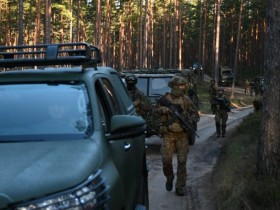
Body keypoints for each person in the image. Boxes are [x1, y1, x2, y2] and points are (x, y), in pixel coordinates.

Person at [156, 76, 199, 196]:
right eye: (180, 86)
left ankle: (180, 186)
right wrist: (162, 110)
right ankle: (169, 178)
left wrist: (188, 119)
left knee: (182, 161)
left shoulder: (186, 100)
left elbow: (196, 115)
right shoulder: (165, 99)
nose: (182, 88)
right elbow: (154, 111)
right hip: (168, 135)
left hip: (182, 136)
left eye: (183, 86)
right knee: (166, 161)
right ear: (174, 86)